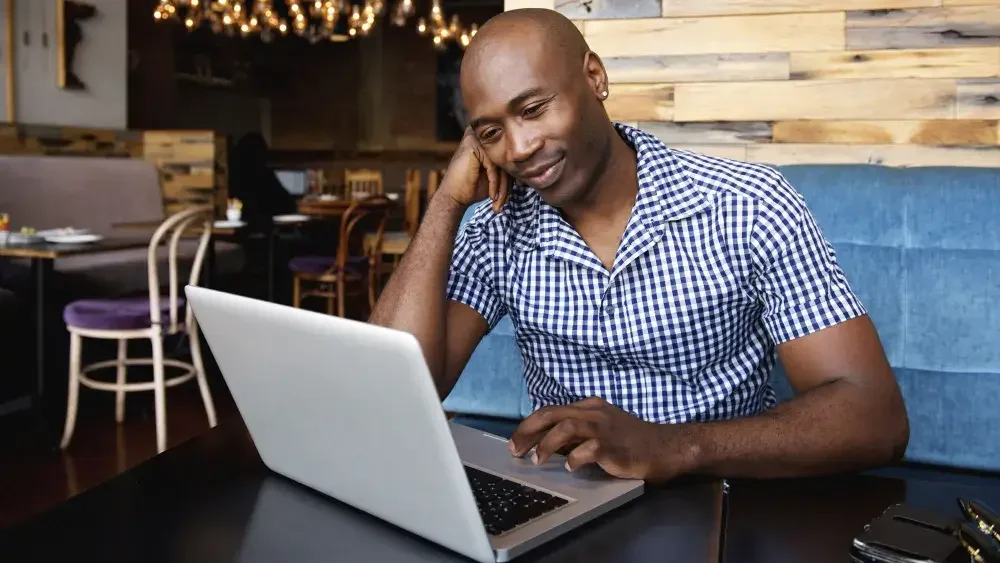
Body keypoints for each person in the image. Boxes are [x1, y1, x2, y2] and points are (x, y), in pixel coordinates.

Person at [368, 8, 909, 483]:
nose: (520, 147)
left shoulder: (748, 206)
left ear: (595, 77)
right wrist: (446, 203)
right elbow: (390, 397)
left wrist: (674, 445)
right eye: (490, 132)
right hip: (564, 503)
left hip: (725, 497)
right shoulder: (496, 230)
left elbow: (874, 418)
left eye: (534, 109)